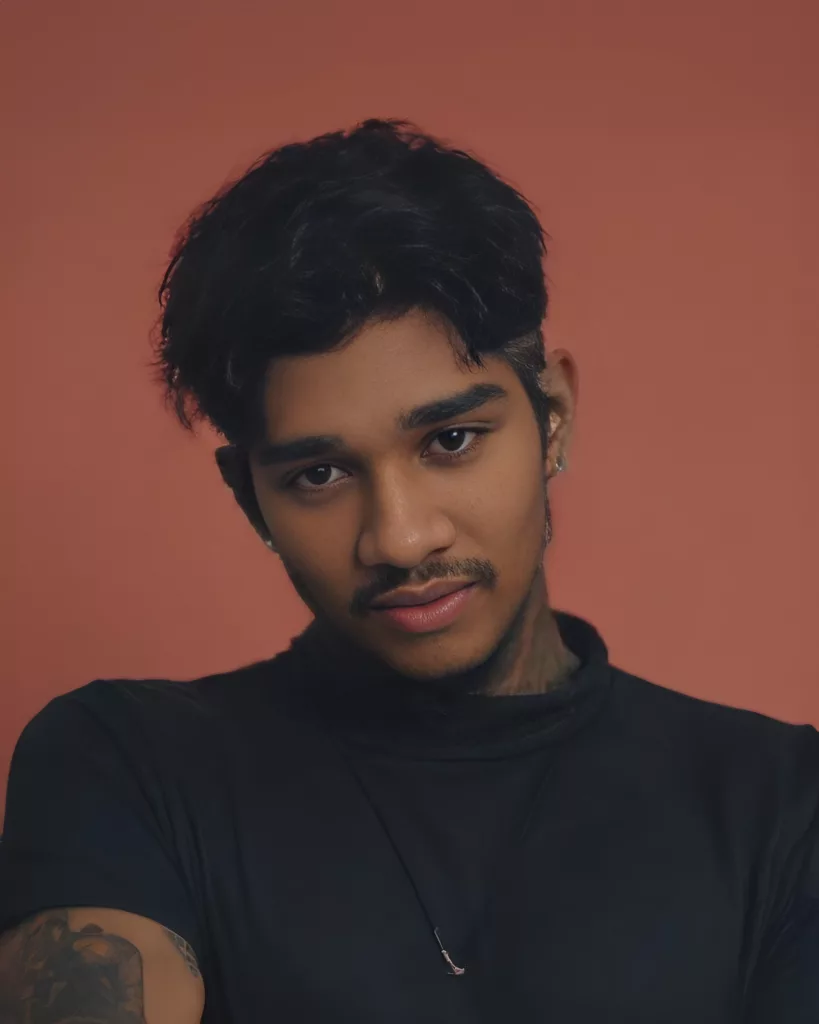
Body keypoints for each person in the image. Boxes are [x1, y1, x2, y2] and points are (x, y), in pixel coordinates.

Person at [0, 119, 817, 1024]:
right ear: (247, 497)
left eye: (451, 441)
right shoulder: (130, 766)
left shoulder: (781, 806)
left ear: (553, 418)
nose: (399, 538)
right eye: (320, 473)